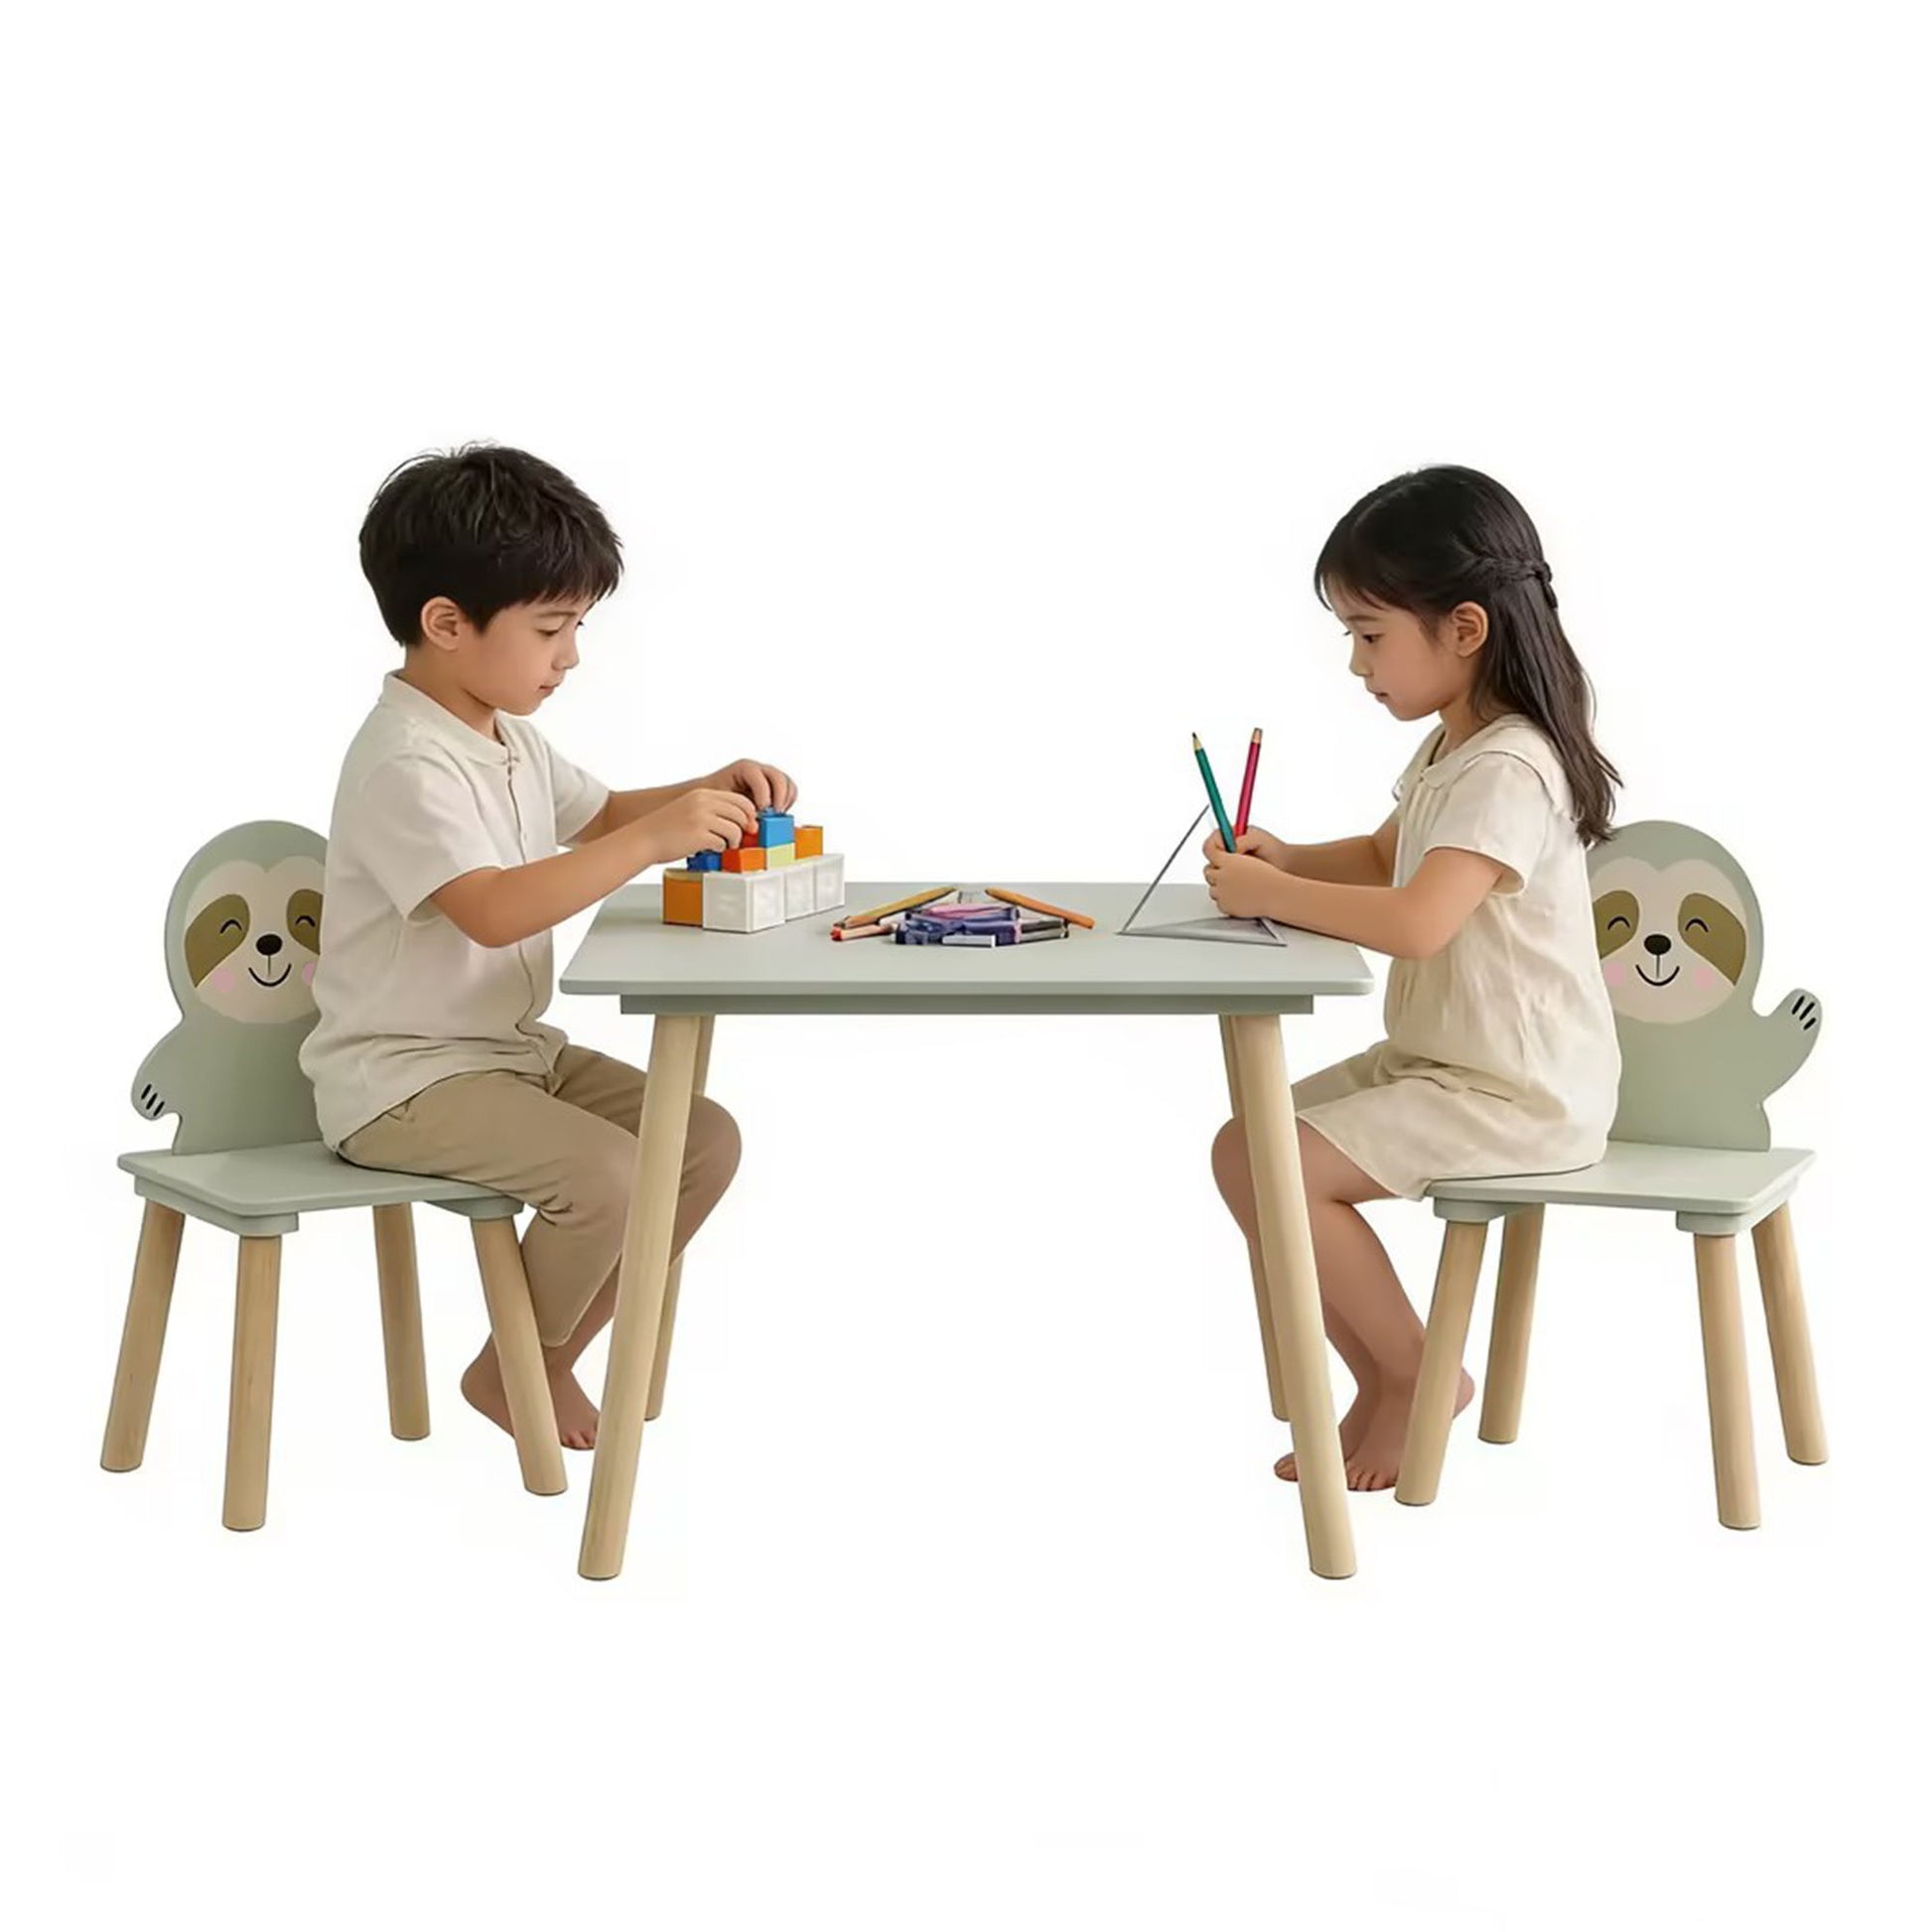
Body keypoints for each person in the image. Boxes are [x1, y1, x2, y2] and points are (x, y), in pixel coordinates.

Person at [301, 441, 786, 1449]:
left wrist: (706, 788)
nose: (570, 657)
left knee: (701, 1141)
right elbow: (490, 909)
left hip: (507, 1053)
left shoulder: (502, 733)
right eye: (550, 629)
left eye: (576, 628)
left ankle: (536, 1355)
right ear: (447, 624)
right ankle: (523, 1363)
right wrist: (652, 841)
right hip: (402, 1080)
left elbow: (598, 813)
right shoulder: (404, 762)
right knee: (609, 1176)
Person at [1206, 465, 1622, 1490]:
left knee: (1284, 1166)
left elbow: (1417, 923)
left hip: (1515, 1093)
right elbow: (1384, 857)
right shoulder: (1454, 746)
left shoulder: (1508, 766)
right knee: (1244, 1148)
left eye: (1369, 634)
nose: (1355, 663)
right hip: (1444, 1063)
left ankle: (1417, 1373)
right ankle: (1386, 1377)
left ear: (1464, 629)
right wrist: (1287, 859)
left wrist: (1271, 895)